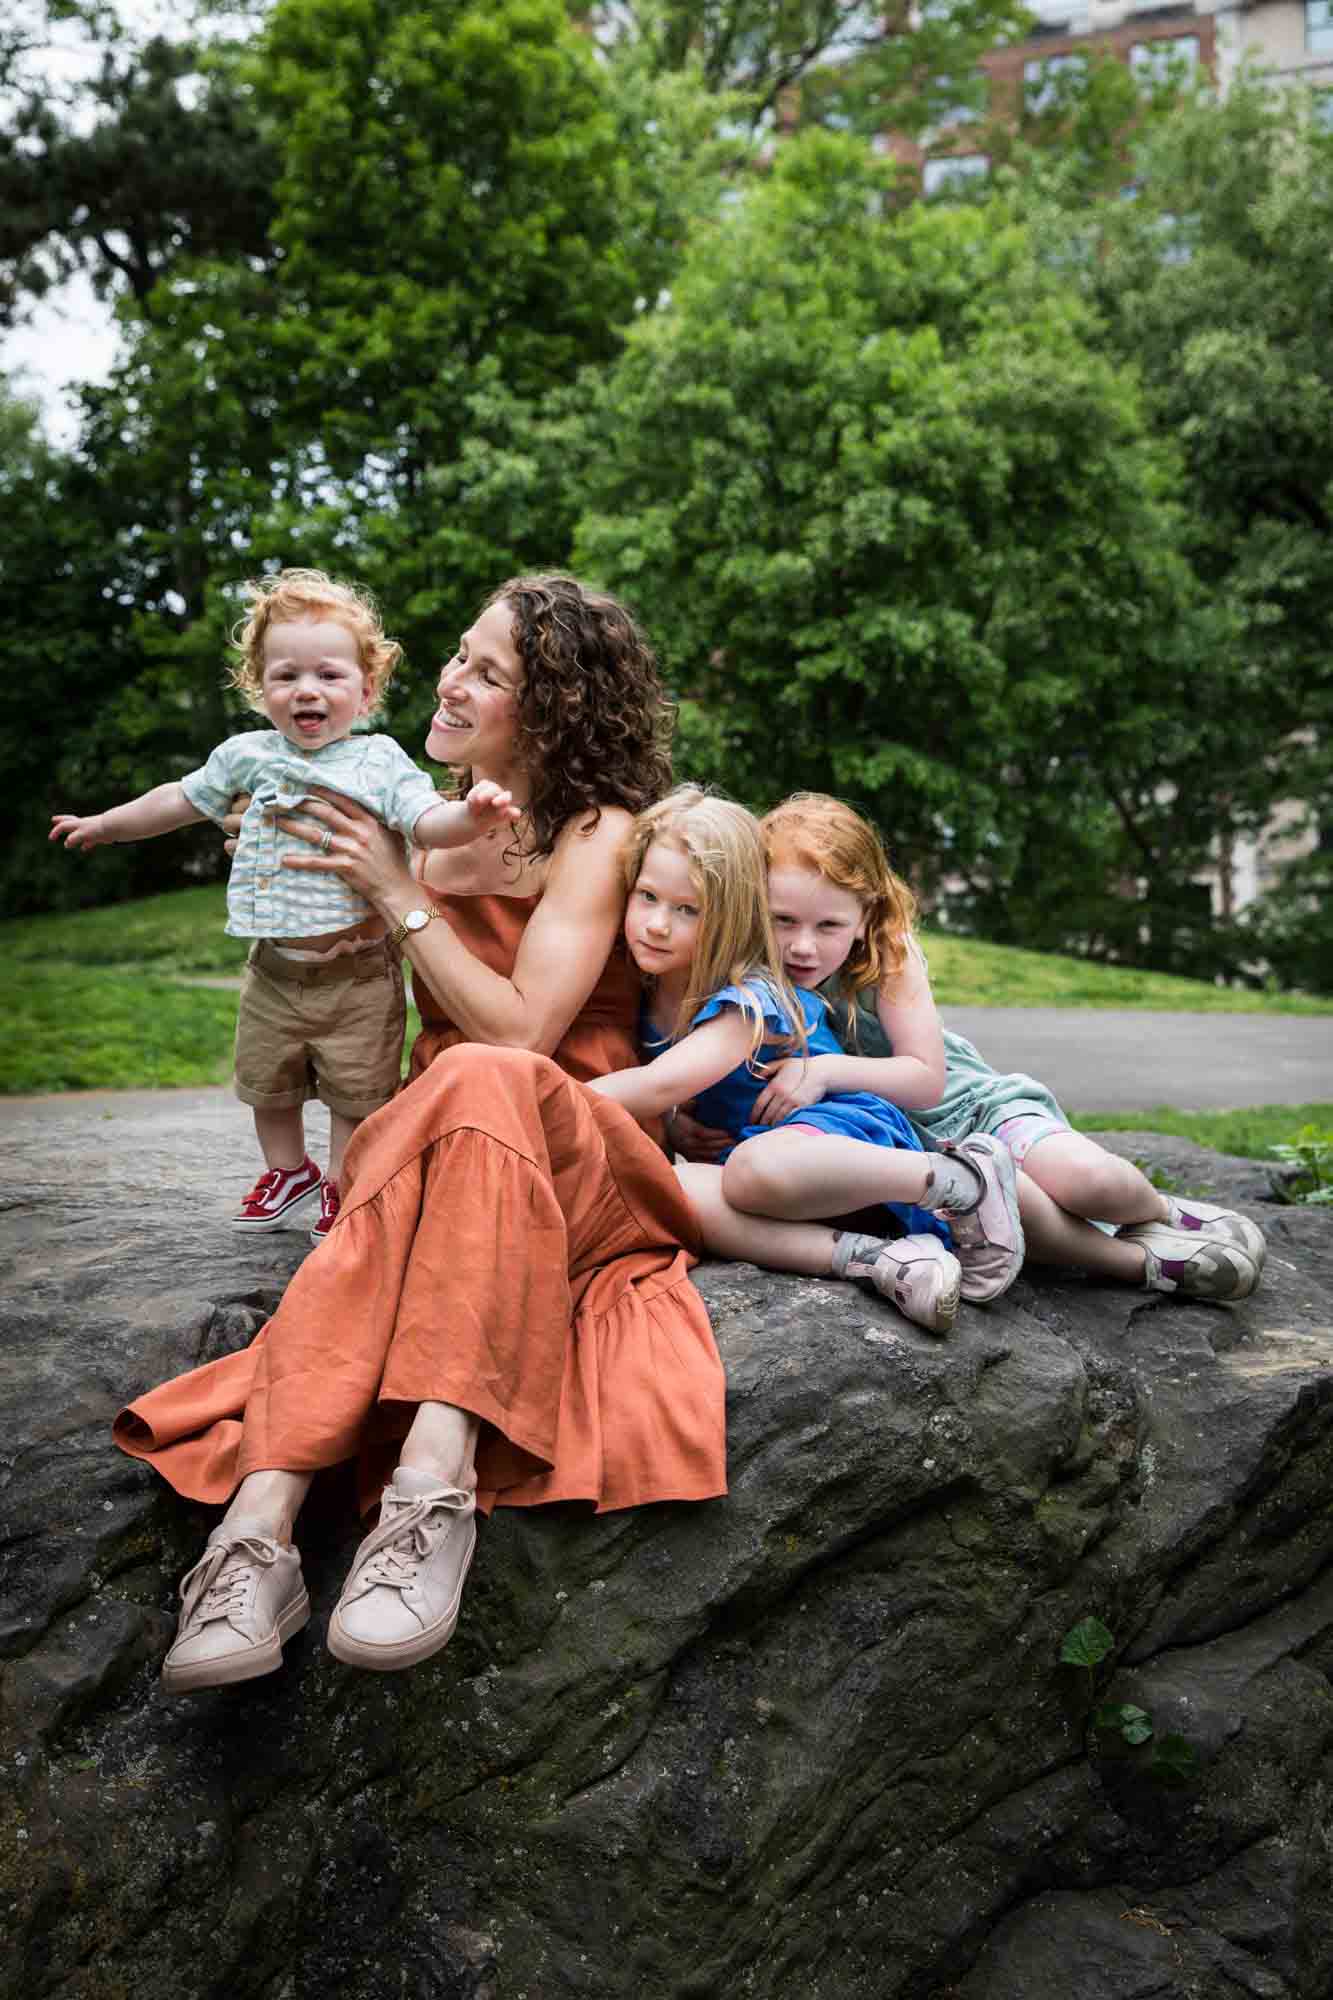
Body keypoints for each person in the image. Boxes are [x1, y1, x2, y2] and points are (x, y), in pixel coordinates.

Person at [112, 574, 728, 1695]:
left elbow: (526, 1030)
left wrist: (400, 894)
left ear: (553, 711)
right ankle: (258, 1543)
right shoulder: (412, 803)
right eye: (457, 653)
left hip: (567, 1134)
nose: (449, 679)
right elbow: (301, 955)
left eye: (487, 672)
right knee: (423, 1134)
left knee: (485, 1072)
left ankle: (426, 1490)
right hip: (433, 1134)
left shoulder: (594, 829)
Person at [51, 567, 521, 1242]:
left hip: (357, 974)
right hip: (272, 971)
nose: (307, 689)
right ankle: (287, 1170)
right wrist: (106, 824)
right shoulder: (245, 757)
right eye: (286, 675)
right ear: (259, 688)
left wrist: (470, 817)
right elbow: (179, 800)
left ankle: (340, 1182)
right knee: (265, 1085)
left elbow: (422, 822)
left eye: (328, 676)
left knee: (356, 1092)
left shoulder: (378, 762)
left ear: (366, 691)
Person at [672, 794, 1265, 1302]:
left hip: (970, 1110)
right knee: (1030, 1213)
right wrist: (681, 1124)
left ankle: (1160, 1216)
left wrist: (824, 1069)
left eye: (828, 926)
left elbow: (926, 1078)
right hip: (902, 1146)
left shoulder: (888, 954)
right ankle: (1151, 1265)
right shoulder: (747, 969)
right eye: (783, 920)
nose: (803, 946)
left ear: (864, 915)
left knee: (1091, 1184)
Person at [587, 787, 1028, 1337]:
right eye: (647, 897)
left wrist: (543, 1095)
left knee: (752, 1173)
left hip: (836, 1136)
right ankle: (879, 1261)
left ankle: (954, 1179)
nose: (657, 923)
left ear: (729, 913)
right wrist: (677, 1124)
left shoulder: (753, 999)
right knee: (671, 1186)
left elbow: (657, 1083)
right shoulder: (648, 992)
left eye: (685, 909)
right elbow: (678, 1089)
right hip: (791, 1180)